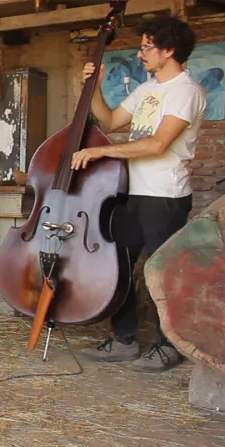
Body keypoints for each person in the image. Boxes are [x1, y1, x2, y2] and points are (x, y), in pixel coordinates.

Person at [71, 17, 206, 372]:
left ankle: (168, 345)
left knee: (162, 273)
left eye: (147, 47)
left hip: (164, 195)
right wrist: (93, 87)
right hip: (131, 191)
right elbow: (112, 121)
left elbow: (159, 144)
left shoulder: (185, 90)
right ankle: (124, 339)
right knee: (118, 265)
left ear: (169, 50)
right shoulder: (148, 88)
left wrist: (101, 152)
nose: (140, 53)